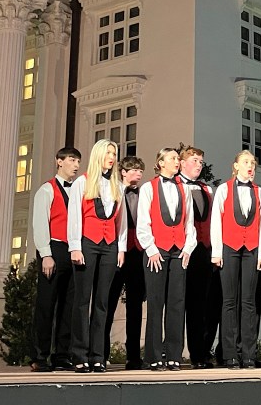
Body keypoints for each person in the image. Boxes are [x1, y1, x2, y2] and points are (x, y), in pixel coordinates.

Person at [67, 140, 126, 373]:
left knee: (102, 302)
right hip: (87, 244)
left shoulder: (117, 185)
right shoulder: (82, 183)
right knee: (82, 301)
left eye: (114, 153)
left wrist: (121, 248)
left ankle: (98, 355)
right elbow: (74, 216)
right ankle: (79, 355)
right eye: (108, 152)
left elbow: (121, 221)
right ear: (98, 155)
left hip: (110, 245)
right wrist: (75, 246)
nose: (111, 157)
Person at [136, 147, 195, 371]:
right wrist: (151, 249)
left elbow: (189, 222)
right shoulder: (148, 188)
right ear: (161, 162)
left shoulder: (184, 189)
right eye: (172, 158)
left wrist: (188, 248)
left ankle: (174, 355)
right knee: (155, 303)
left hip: (179, 250)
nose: (177, 161)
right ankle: (153, 356)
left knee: (177, 303)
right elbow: (143, 222)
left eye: (178, 158)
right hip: (156, 251)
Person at [211, 150, 261, 369]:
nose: (250, 166)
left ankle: (249, 354)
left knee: (249, 302)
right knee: (229, 301)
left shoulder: (260, 192)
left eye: (253, 162)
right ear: (236, 166)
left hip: (252, 250)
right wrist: (217, 252)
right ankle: (230, 354)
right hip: (229, 248)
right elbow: (216, 221)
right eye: (246, 162)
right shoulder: (224, 189)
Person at [31, 146, 81, 372]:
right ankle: (40, 356)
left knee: (69, 306)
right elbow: (40, 223)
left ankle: (62, 355)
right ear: (59, 161)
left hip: (73, 250)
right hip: (53, 248)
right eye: (71, 160)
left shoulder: (78, 190)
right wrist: (46, 254)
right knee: (46, 304)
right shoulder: (47, 189)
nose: (76, 165)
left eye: (78, 161)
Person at [105, 155, 146, 370]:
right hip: (115, 253)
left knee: (135, 306)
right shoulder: (112, 191)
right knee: (108, 302)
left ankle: (133, 356)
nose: (139, 174)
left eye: (140, 171)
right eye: (135, 170)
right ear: (123, 172)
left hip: (137, 253)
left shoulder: (144, 194)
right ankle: (101, 352)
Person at [179, 144, 216, 368]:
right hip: (180, 250)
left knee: (199, 305)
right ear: (182, 163)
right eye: (194, 161)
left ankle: (199, 354)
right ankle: (171, 352)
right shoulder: (173, 186)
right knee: (176, 303)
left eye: (201, 162)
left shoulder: (206, 189)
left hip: (203, 251)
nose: (199, 165)